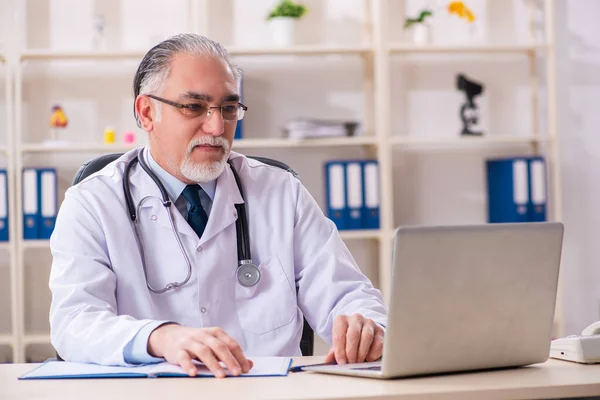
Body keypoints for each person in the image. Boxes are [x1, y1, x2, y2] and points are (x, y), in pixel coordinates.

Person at [48, 33, 387, 378]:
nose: (217, 126)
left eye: (228, 108)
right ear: (147, 112)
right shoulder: (92, 203)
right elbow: (75, 322)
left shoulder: (282, 192)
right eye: (194, 107)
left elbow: (347, 294)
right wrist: (159, 337)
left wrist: (367, 326)